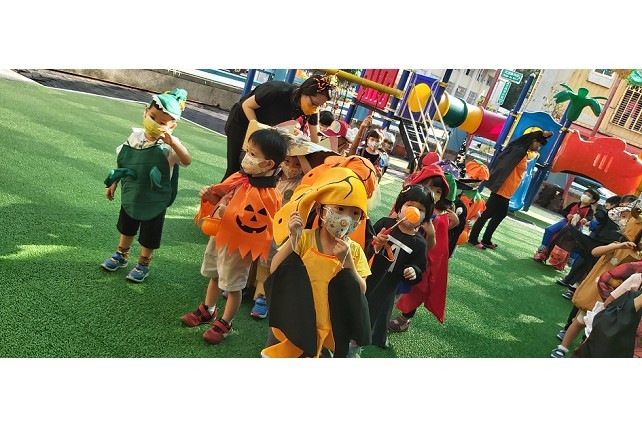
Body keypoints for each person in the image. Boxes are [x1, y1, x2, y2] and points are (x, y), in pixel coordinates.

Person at [181, 128, 289, 345]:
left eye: (253, 154)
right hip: (220, 237)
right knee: (214, 275)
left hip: (239, 247)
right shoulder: (240, 180)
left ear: (268, 164)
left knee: (233, 286)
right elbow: (221, 202)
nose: (246, 157)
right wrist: (211, 197)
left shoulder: (269, 195)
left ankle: (226, 322)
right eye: (247, 151)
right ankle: (208, 309)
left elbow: (258, 224)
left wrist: (227, 213)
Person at [262, 167, 372, 358]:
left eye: (355, 213)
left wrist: (348, 263)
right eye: (340, 209)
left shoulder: (354, 250)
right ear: (321, 210)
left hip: (326, 322)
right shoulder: (305, 238)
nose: (346, 219)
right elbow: (275, 268)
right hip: (293, 313)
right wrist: (293, 238)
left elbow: (361, 290)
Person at [101, 88, 192, 283]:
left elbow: (187, 160)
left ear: (171, 125)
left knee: (150, 233)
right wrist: (114, 184)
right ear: (145, 112)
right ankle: (121, 255)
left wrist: (174, 144)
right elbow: (125, 162)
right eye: (152, 117)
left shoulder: (169, 145)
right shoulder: (134, 137)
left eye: (162, 123)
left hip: (155, 199)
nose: (155, 123)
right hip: (133, 192)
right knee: (127, 226)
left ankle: (143, 263)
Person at [222, 74, 335, 180]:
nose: (315, 108)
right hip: (242, 122)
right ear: (304, 92)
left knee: (257, 171)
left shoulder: (311, 110)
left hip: (264, 129)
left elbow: (316, 140)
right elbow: (247, 105)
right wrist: (258, 129)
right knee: (235, 168)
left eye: (319, 106)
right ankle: (220, 193)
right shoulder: (278, 91)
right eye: (314, 103)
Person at [550, 232, 642, 357]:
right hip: (597, 291)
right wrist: (619, 246)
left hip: (617, 298)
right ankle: (562, 347)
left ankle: (581, 351)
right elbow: (595, 252)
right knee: (580, 320)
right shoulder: (620, 247)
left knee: (597, 330)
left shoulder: (639, 259)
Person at [387, 161, 455, 330]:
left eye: (437, 191)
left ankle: (404, 319)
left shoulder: (437, 218)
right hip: (397, 256)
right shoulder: (407, 207)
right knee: (390, 290)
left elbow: (435, 249)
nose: (431, 192)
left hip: (417, 262)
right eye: (427, 186)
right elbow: (391, 222)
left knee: (414, 291)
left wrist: (431, 233)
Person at [366, 185, 432, 349]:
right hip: (368, 276)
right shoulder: (384, 223)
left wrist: (413, 271)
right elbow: (365, 246)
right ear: (400, 206)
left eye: (421, 209)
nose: (414, 211)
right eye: (410, 205)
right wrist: (375, 243)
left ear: (425, 216)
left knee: (379, 312)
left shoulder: (420, 243)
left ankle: (368, 340)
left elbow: (419, 267)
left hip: (389, 286)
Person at [468, 129, 552, 249]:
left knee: (500, 214)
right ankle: (473, 238)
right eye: (538, 145)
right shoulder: (519, 152)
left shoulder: (521, 151)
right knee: (487, 213)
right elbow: (503, 167)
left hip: (506, 191)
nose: (538, 148)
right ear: (534, 141)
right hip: (502, 190)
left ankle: (486, 239)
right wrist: (496, 184)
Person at [532, 188, 599, 263]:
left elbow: (589, 217)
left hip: (577, 226)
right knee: (549, 230)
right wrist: (567, 215)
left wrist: (585, 219)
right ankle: (543, 247)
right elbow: (564, 211)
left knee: (579, 242)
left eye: (589, 196)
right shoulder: (574, 204)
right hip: (565, 222)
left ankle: (571, 259)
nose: (585, 196)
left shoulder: (590, 210)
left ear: (593, 200)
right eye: (585, 194)